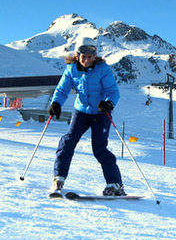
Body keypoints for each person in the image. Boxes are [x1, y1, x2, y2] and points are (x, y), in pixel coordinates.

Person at [48, 36, 126, 196]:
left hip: (100, 112)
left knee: (99, 148)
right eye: (84, 56)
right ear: (77, 55)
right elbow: (62, 89)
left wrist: (109, 103)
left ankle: (115, 184)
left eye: (90, 56)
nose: (87, 60)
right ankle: (59, 177)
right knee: (68, 141)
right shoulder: (71, 69)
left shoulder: (102, 69)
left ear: (95, 56)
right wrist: (56, 102)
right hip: (81, 111)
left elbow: (112, 90)